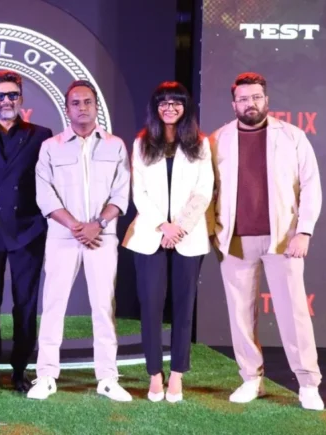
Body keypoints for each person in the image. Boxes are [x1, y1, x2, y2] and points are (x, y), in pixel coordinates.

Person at [208, 72, 324, 411]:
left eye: (256, 97)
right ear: (234, 104)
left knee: (294, 313)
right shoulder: (217, 140)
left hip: (283, 239)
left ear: (267, 100)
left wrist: (304, 231)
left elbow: (311, 185)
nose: (250, 104)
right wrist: (213, 231)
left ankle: (308, 383)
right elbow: (207, 189)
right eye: (243, 99)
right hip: (234, 240)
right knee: (240, 315)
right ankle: (250, 379)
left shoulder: (292, 136)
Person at [29, 80, 132, 402]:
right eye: (76, 103)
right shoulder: (51, 146)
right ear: (67, 109)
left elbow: (121, 192)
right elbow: (45, 195)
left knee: (103, 306)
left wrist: (97, 224)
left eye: (88, 102)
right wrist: (76, 226)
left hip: (102, 236)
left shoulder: (115, 145)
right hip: (63, 236)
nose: (82, 108)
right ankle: (46, 376)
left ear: (96, 106)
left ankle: (107, 378)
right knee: (53, 305)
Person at [121, 81, 213, 403]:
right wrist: (163, 225)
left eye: (176, 102)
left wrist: (179, 228)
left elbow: (204, 190)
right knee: (150, 306)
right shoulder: (142, 143)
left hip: (189, 236)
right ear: (155, 108)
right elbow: (139, 192)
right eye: (163, 102)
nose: (170, 108)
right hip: (150, 234)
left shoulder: (200, 143)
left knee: (184, 307)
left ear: (185, 107)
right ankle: (154, 374)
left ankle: (177, 375)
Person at [0, 70, 53, 393]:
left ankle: (20, 369)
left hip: (28, 230)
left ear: (21, 98)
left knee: (25, 304)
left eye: (12, 95)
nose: (6, 101)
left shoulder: (41, 135)